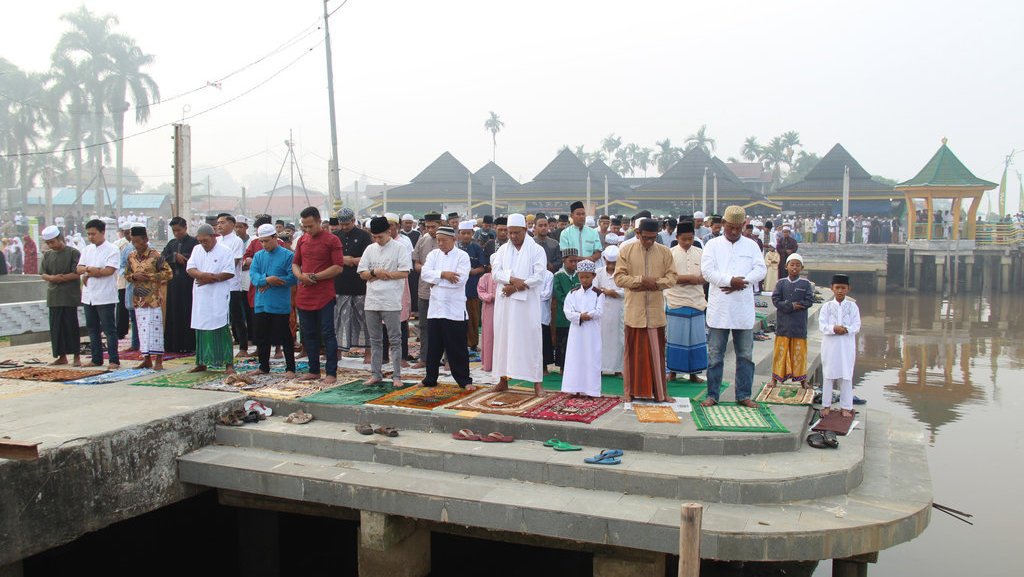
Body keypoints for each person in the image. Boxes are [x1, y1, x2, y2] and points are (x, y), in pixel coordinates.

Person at [699, 205, 768, 408]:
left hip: (742, 309)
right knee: (715, 356)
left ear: (743, 225)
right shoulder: (712, 245)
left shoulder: (751, 245)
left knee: (745, 356)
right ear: (723, 225)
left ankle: (743, 395)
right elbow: (707, 272)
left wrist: (742, 282)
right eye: (731, 228)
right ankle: (713, 395)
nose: (735, 231)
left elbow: (761, 270)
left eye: (739, 227)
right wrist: (730, 281)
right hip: (720, 308)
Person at [613, 218, 677, 403]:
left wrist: (655, 283)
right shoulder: (626, 250)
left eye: (653, 238)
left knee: (657, 355)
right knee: (632, 355)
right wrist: (640, 280)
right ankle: (629, 393)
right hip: (634, 312)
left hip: (656, 312)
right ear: (638, 234)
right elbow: (619, 278)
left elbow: (672, 278)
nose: (649, 241)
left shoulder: (664, 252)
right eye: (646, 237)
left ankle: (661, 393)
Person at [491, 213, 548, 396]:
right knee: (503, 340)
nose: (513, 236)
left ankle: (537, 383)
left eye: (517, 232)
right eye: (510, 233)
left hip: (527, 305)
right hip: (505, 304)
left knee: (530, 340)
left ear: (525, 230)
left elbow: (539, 276)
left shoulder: (537, 250)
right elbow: (495, 273)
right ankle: (502, 380)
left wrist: (515, 288)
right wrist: (512, 279)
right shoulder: (502, 250)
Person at [292, 206, 345, 383]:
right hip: (304, 294)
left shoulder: (332, 240)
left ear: (318, 221)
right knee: (308, 334)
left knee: (327, 333)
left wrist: (314, 277)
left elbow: (338, 267)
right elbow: (295, 264)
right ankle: (313, 369)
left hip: (324, 294)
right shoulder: (301, 241)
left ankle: (331, 372)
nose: (307, 230)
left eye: (310, 226)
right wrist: (301, 276)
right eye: (304, 227)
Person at [419, 226, 473, 389]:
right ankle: (430, 378)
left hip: (454, 309)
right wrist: (443, 275)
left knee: (457, 347)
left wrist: (436, 280)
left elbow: (460, 281)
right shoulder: (433, 255)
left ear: (453, 240)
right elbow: (425, 274)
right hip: (435, 307)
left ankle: (464, 380)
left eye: (444, 240)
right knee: (433, 346)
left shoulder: (462, 256)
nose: (440, 243)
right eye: (438, 240)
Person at [248, 223, 298, 378]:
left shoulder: (288, 255)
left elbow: (292, 278)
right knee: (262, 337)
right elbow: (254, 276)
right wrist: (267, 280)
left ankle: (290, 368)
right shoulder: (258, 256)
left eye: (267, 241)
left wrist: (273, 280)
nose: (264, 245)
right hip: (262, 303)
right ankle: (263, 366)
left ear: (275, 238)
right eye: (261, 241)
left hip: (279, 304)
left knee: (285, 336)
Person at [187, 224, 236, 375]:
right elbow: (190, 268)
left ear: (213, 236)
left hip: (218, 297)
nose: (203, 243)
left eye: (205, 240)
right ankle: (201, 362)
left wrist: (211, 278)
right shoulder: (197, 250)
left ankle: (228, 364)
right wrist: (202, 276)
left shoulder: (225, 251)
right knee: (201, 328)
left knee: (221, 328)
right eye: (200, 241)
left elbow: (229, 272)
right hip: (201, 297)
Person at [124, 226, 172, 371]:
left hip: (153, 298)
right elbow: (126, 274)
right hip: (139, 299)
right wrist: (133, 277)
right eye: (133, 242)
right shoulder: (131, 256)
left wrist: (149, 277)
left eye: (137, 241)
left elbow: (168, 273)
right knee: (142, 330)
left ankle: (158, 360)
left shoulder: (155, 256)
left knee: (155, 329)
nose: (135, 245)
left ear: (145, 240)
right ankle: (146, 359)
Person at [665, 221, 707, 383]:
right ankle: (673, 372)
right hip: (676, 301)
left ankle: (694, 374)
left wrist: (699, 280)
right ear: (677, 238)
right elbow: (667, 277)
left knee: (695, 339)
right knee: (676, 339)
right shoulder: (670, 254)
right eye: (684, 239)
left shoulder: (701, 253)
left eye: (690, 239)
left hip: (696, 301)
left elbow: (706, 275)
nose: (687, 243)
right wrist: (688, 278)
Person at [78, 219, 122, 369]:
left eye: (93, 234)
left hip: (105, 295)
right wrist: (92, 271)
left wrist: (89, 272)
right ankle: (96, 359)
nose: (91, 237)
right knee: (92, 329)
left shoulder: (112, 249)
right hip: (88, 296)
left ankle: (114, 360)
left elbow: (108, 271)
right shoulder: (87, 249)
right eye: (89, 234)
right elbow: (79, 268)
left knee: (109, 329)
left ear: (103, 232)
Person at [332, 208, 373, 361]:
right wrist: (345, 260)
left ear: (353, 221)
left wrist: (353, 260)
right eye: (341, 224)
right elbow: (332, 258)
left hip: (359, 285)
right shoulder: (335, 236)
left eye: (347, 224)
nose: (344, 227)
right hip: (340, 285)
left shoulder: (364, 236)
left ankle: (368, 353)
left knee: (364, 320)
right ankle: (337, 352)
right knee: (339, 320)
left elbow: (368, 258)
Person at [39, 225, 82, 366]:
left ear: (60, 239)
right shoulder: (47, 255)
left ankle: (76, 356)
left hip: (69, 296)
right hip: (54, 296)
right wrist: (52, 279)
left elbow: (76, 272)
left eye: (53, 242)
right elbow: (43, 273)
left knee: (71, 326)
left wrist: (61, 278)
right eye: (48, 243)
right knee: (56, 328)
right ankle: (61, 356)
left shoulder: (73, 253)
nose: (51, 245)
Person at [560, 260, 604, 397]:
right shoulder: (573, 293)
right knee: (575, 358)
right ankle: (573, 388)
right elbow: (567, 311)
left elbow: (599, 311)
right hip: (576, 332)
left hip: (591, 332)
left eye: (587, 277)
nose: (584, 280)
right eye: (581, 277)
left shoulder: (598, 294)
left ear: (593, 276)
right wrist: (579, 316)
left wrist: (588, 316)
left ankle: (591, 391)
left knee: (591, 359)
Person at [819, 274, 861, 418]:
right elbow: (822, 325)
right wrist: (833, 329)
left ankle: (846, 407)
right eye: (837, 288)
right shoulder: (826, 306)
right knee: (828, 375)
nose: (840, 291)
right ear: (832, 288)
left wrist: (846, 329)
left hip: (846, 346)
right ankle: (826, 405)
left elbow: (857, 325)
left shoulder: (853, 306)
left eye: (843, 288)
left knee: (846, 375)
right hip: (830, 346)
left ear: (848, 289)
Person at [770, 254, 815, 388]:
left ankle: (803, 380)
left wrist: (797, 305)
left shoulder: (806, 284)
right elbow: (776, 300)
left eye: (797, 265)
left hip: (799, 326)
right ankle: (775, 379)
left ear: (802, 267)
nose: (794, 267)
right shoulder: (781, 283)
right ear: (786, 266)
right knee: (780, 353)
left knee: (799, 354)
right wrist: (791, 306)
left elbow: (809, 301)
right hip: (783, 325)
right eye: (792, 264)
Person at [161, 217, 198, 354]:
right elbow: (160, 260)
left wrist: (184, 259)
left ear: (185, 228)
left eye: (179, 230)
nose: (177, 233)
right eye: (174, 231)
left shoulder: (194, 243)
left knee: (187, 312)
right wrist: (174, 256)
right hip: (174, 284)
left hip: (188, 284)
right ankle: (174, 345)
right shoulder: (171, 244)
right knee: (174, 313)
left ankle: (189, 344)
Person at [216, 213, 249, 357]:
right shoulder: (216, 240)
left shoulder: (236, 241)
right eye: (218, 223)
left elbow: (234, 262)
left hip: (232, 284)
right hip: (216, 284)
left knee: (237, 317)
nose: (219, 225)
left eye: (222, 222)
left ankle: (243, 347)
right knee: (220, 317)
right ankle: (222, 345)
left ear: (231, 224)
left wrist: (217, 272)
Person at [411, 213, 441, 368]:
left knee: (444, 326)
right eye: (427, 227)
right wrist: (427, 270)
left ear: (440, 224)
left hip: (443, 291)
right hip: (424, 290)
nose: (430, 230)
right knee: (424, 326)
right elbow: (416, 264)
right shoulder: (423, 239)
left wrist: (433, 272)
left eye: (433, 227)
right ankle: (424, 359)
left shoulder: (447, 240)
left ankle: (448, 360)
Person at [454, 221, 486, 354]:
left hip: (472, 287)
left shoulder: (477, 248)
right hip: (457, 288)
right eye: (463, 233)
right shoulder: (455, 249)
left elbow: (482, 267)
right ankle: (460, 342)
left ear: (472, 234)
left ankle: (473, 343)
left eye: (468, 233)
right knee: (458, 317)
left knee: (473, 316)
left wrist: (473, 271)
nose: (466, 236)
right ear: (459, 234)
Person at [593, 244, 623, 375]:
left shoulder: (623, 273)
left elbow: (628, 290)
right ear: (605, 260)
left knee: (619, 338)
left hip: (618, 309)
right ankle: (600, 367)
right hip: (602, 310)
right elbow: (593, 290)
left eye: (614, 263)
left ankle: (619, 368)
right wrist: (604, 292)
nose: (611, 266)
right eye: (609, 263)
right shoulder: (598, 272)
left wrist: (614, 292)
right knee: (601, 338)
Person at [552, 247, 581, 370]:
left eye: (576, 261)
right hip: (563, 316)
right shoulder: (558, 276)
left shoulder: (580, 275)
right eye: (571, 261)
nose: (574, 264)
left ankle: (575, 367)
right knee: (562, 342)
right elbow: (559, 295)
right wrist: (571, 305)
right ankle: (563, 368)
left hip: (578, 314)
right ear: (564, 261)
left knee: (576, 343)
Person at [476, 256, 497, 372]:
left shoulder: (506, 277)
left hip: (503, 308)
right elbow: (481, 292)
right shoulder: (485, 277)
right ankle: (489, 364)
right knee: (489, 335)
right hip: (489, 308)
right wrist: (491, 297)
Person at [538, 264, 555, 374]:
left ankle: (544, 367)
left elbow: (547, 294)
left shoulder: (548, 275)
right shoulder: (527, 273)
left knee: (544, 341)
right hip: (528, 313)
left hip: (542, 314)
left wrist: (532, 294)